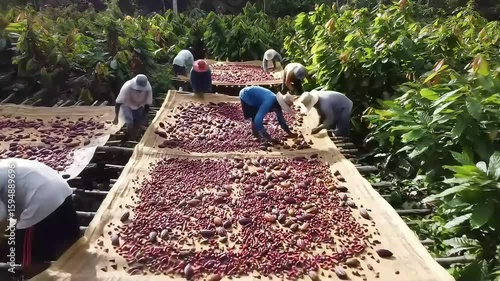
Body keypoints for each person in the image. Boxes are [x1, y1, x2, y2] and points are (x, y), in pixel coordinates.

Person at [0, 159, 80, 278]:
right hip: (61, 189)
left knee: (29, 258)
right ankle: (80, 273)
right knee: (70, 247)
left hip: (40, 199)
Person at [113, 74, 153, 140]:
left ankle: (138, 135)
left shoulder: (148, 89)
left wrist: (144, 116)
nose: (140, 91)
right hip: (127, 105)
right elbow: (118, 102)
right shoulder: (127, 87)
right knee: (130, 122)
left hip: (139, 105)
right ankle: (131, 138)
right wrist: (116, 116)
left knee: (139, 122)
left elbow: (148, 104)